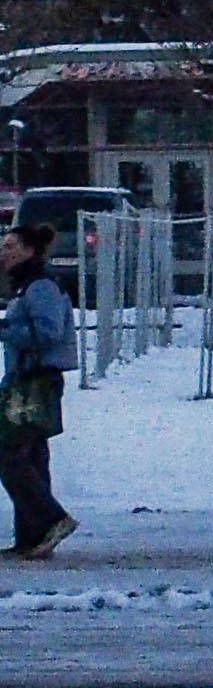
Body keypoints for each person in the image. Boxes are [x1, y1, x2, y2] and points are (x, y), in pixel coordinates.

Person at [0, 225, 74, 561]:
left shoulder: (40, 285)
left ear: (31, 250)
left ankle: (50, 520)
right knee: (31, 455)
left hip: (36, 382)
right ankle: (32, 537)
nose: (4, 252)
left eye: (11, 246)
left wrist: (6, 330)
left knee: (9, 452)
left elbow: (48, 332)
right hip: (27, 379)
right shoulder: (25, 285)